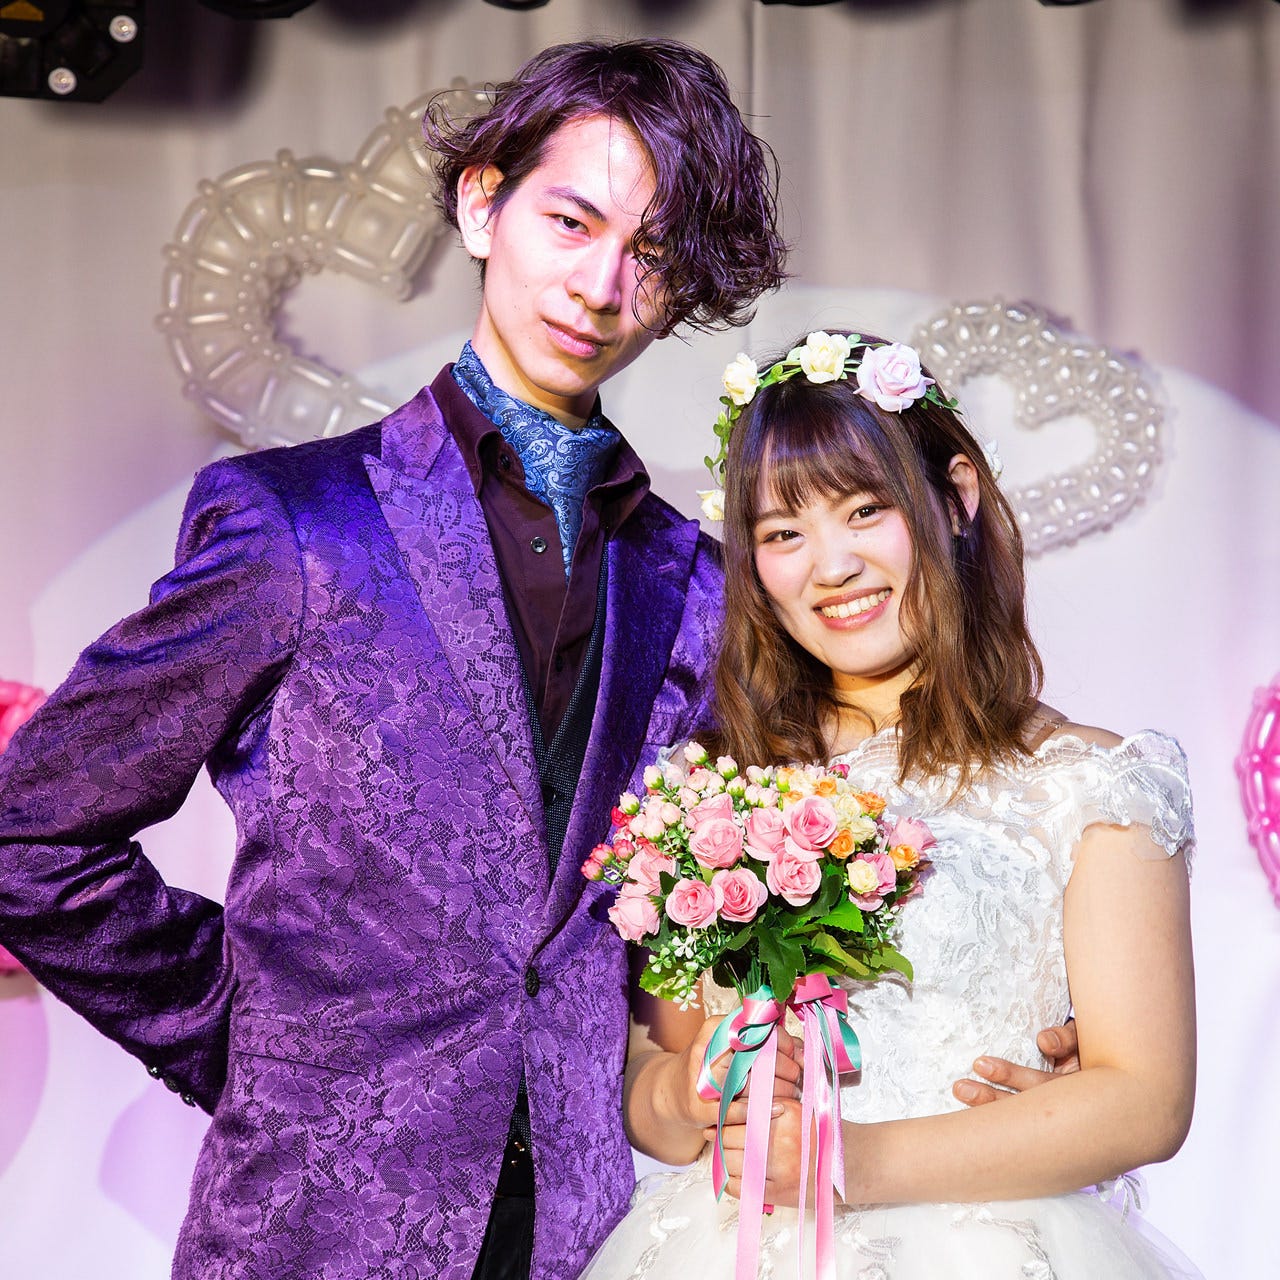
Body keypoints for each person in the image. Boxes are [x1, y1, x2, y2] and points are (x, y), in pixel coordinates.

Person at [0, 40, 1074, 1280]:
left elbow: (794, 833)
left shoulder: (694, 580)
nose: (601, 285)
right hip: (314, 1221)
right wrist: (249, 1036)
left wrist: (1005, 1031)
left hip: (584, 1232)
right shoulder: (297, 524)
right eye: (571, 222)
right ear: (480, 205)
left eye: (652, 254)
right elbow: (31, 831)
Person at [584, 331, 1199, 1279]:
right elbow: (652, 1075)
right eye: (783, 534)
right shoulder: (709, 789)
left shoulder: (1094, 783)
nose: (830, 567)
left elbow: (1147, 1100)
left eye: (865, 510)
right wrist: (691, 1095)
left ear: (955, 498)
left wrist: (849, 1163)